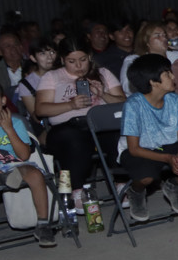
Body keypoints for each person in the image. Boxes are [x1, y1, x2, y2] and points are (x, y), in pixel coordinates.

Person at [118, 54, 178, 222]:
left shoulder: (174, 100)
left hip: (170, 145)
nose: (173, 76)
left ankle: (174, 185)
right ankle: (136, 191)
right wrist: (168, 158)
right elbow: (134, 148)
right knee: (146, 177)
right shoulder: (133, 105)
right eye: (167, 73)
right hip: (141, 150)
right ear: (153, 82)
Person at [36, 35, 126, 202]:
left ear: (89, 57)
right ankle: (76, 190)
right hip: (67, 129)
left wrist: (102, 95)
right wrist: (70, 106)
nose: (78, 66)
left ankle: (122, 183)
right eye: (71, 61)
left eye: (83, 60)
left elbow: (124, 103)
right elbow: (40, 109)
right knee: (75, 141)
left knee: (117, 136)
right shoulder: (53, 77)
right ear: (62, 60)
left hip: (100, 127)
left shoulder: (103, 73)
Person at [0, 91, 54, 247]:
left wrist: (9, 130)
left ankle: (43, 225)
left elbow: (23, 156)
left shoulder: (15, 122)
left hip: (17, 166)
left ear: (3, 101)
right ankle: (4, 177)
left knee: (35, 174)